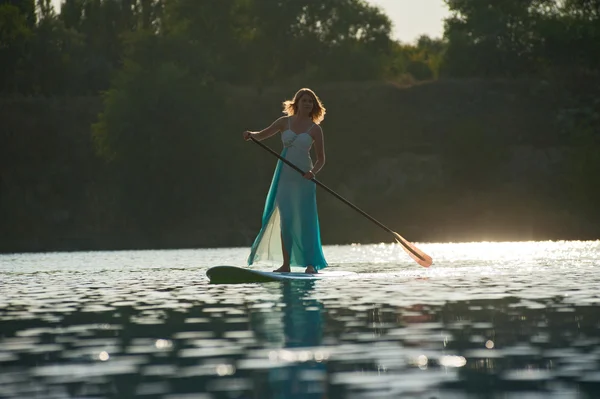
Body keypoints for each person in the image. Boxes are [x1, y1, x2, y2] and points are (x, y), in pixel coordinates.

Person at [242, 88, 328, 274]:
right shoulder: (284, 122)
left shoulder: (315, 129)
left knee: (306, 219)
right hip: (285, 177)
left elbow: (321, 158)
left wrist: (313, 172)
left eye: (310, 102)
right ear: (296, 103)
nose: (307, 104)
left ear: (313, 106)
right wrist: (251, 134)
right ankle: (286, 264)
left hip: (304, 177)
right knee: (286, 219)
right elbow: (262, 134)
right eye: (304, 100)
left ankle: (311, 264)